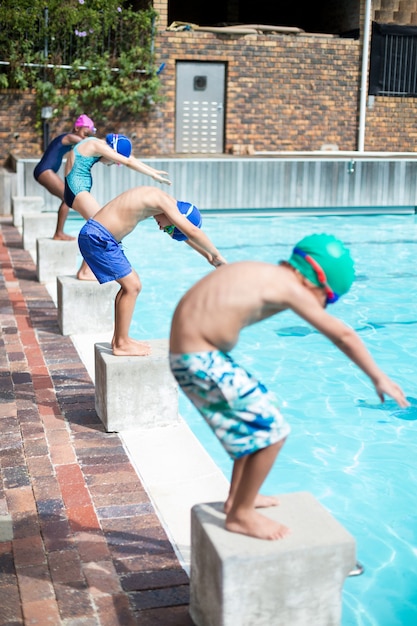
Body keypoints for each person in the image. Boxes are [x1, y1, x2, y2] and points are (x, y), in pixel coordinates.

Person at [169, 233, 410, 541]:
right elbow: (343, 335)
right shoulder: (290, 287)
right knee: (273, 432)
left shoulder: (266, 273)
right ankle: (240, 515)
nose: (326, 306)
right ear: (316, 280)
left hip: (198, 355)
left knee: (260, 419)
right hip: (199, 359)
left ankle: (239, 497)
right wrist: (379, 377)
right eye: (330, 298)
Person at [78, 185, 227, 356]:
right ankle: (121, 343)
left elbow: (188, 236)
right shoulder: (161, 200)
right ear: (178, 217)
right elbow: (192, 231)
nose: (162, 228)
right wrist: (218, 254)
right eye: (169, 228)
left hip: (100, 237)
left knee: (130, 286)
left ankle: (120, 339)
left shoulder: (161, 201)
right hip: (99, 238)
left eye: (169, 230)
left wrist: (209, 257)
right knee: (132, 286)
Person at [64, 132, 172, 279]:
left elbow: (129, 158)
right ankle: (85, 271)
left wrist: (153, 170)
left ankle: (87, 269)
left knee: (100, 230)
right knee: (103, 229)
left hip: (76, 190)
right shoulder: (97, 145)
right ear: (112, 151)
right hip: (77, 190)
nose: (113, 164)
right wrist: (152, 176)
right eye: (115, 161)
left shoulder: (95, 142)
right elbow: (127, 162)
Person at [33, 114, 96, 241]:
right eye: (85, 133)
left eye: (87, 134)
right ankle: (58, 233)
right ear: (77, 128)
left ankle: (59, 232)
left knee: (67, 198)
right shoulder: (69, 137)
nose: (85, 136)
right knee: (67, 198)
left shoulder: (71, 139)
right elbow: (87, 143)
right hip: (45, 171)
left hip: (45, 171)